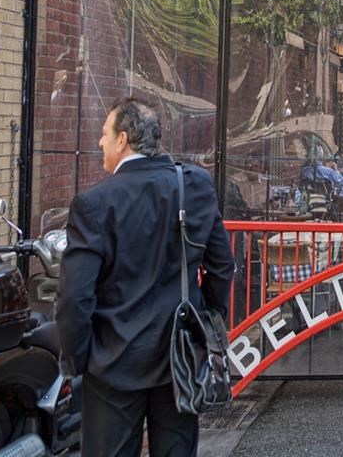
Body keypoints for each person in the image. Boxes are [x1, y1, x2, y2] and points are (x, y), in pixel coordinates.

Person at [57, 97, 234, 457]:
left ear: (123, 139)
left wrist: (78, 361)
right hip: (180, 357)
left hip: (113, 362)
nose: (100, 142)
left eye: (105, 134)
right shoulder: (195, 184)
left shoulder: (93, 204)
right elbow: (222, 264)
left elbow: (75, 297)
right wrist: (208, 320)